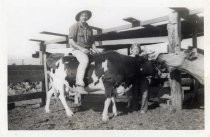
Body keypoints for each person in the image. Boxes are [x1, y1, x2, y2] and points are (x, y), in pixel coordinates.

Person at [68, 10, 100, 94]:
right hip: (77, 50)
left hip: (88, 50)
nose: (84, 17)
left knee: (99, 59)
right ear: (79, 17)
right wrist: (81, 49)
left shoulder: (90, 29)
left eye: (86, 16)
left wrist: (96, 50)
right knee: (84, 61)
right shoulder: (74, 26)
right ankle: (79, 85)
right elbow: (71, 41)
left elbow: (92, 42)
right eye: (82, 15)